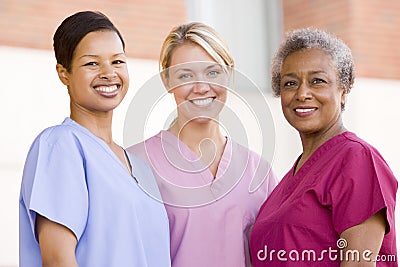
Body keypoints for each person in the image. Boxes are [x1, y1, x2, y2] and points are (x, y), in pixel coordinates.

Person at [19, 11, 171, 267]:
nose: (108, 73)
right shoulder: (61, 146)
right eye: (92, 63)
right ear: (63, 73)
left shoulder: (139, 167)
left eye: (118, 61)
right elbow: (58, 259)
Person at [127, 22, 277, 267]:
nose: (201, 87)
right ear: (166, 81)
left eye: (213, 72)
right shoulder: (135, 164)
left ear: (229, 74)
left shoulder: (257, 169)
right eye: (185, 75)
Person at [249, 28, 397, 266]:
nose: (302, 93)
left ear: (343, 91)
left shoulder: (356, 158)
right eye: (290, 83)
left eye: (317, 81)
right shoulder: (288, 180)